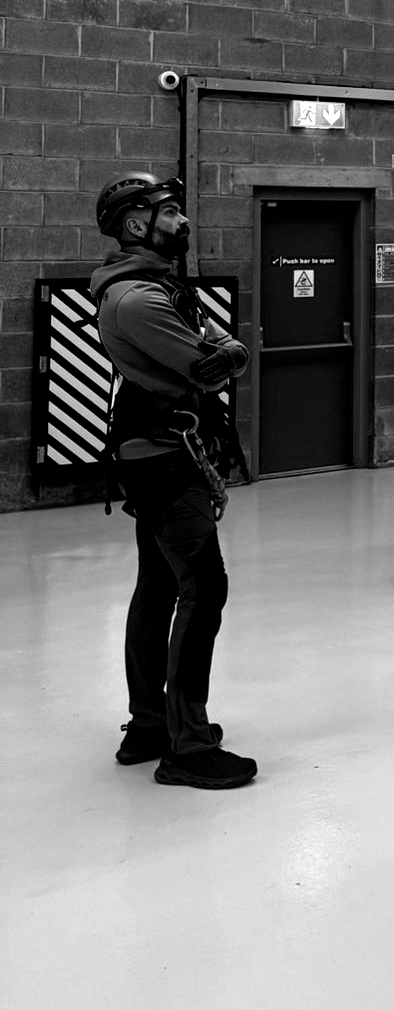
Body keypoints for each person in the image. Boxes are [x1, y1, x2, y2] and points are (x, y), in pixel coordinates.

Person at [91, 172, 257, 791]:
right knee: (203, 588)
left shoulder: (161, 289)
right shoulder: (139, 301)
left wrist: (222, 348)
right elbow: (212, 364)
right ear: (137, 224)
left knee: (158, 588)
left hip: (161, 453)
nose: (182, 221)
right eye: (169, 211)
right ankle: (186, 746)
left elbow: (214, 349)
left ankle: (148, 727)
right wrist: (229, 352)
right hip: (164, 459)